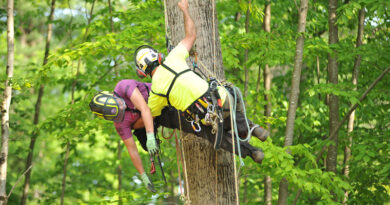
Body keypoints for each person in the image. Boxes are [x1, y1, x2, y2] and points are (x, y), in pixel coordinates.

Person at [133, 0, 269, 161]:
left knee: (211, 134)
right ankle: (252, 128)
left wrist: (132, 126)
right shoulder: (174, 57)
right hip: (221, 97)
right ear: (158, 56)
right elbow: (191, 35)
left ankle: (252, 152)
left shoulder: (156, 91)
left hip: (205, 114)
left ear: (143, 72)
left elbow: (149, 116)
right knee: (225, 113)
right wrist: (185, 10)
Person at [89, 79, 157, 193]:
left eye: (119, 104)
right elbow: (132, 149)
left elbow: (145, 109)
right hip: (153, 119)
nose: (122, 107)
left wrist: (150, 136)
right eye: (119, 111)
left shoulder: (124, 86)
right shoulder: (119, 123)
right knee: (146, 146)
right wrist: (143, 175)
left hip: (156, 101)